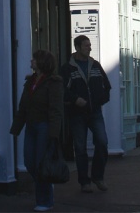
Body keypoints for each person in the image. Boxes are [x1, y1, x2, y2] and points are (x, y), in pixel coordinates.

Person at [10, 50, 64, 213]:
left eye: (34, 59)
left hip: (44, 127)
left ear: (41, 63)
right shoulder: (30, 82)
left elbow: (56, 109)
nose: (31, 61)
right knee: (29, 162)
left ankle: (45, 201)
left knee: (41, 164)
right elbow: (23, 106)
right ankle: (47, 185)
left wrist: (54, 133)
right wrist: (16, 128)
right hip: (31, 126)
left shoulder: (54, 83)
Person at [60, 36, 111, 193]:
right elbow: (62, 89)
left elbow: (106, 85)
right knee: (80, 148)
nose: (89, 48)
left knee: (102, 142)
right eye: (86, 46)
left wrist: (100, 100)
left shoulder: (95, 65)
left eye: (89, 45)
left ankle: (98, 176)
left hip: (95, 111)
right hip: (77, 114)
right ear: (77, 47)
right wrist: (75, 99)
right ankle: (84, 182)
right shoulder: (67, 68)